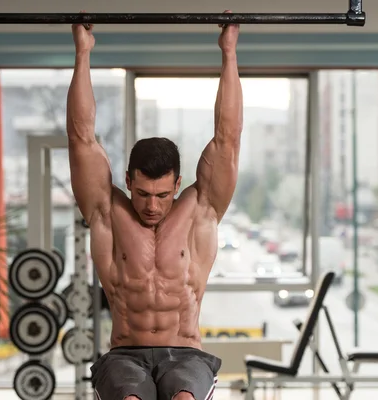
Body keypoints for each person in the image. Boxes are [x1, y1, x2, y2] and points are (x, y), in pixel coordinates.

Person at [66, 10, 243, 400]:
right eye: (142, 193)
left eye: (163, 195)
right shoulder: (107, 213)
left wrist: (228, 53)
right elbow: (81, 139)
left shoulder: (201, 210)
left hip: (187, 354)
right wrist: (83, 53)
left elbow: (227, 138)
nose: (151, 205)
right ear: (127, 182)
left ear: (178, 185)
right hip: (124, 354)